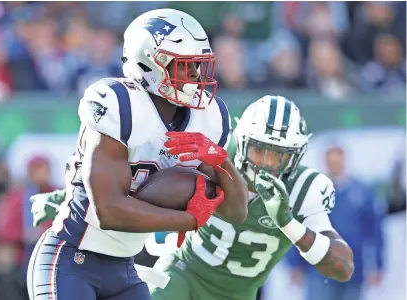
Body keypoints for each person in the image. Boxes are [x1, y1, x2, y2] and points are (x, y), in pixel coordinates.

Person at [31, 96, 354, 300]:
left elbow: (342, 267)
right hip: (183, 272)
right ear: (241, 142)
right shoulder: (217, 156)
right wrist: (67, 198)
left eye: (277, 157)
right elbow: (140, 179)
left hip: (239, 292)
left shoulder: (305, 187)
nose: (265, 164)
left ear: (295, 157)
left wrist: (288, 223)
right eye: (259, 151)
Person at [26, 8, 248, 300]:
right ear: (148, 64)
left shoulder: (210, 116)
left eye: (198, 64)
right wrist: (188, 220)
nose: (195, 75)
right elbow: (109, 211)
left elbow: (236, 212)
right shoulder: (118, 104)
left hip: (124, 271)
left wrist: (220, 161)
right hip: (71, 258)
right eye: (184, 65)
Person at [286, 144, 384, 300]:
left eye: (337, 161)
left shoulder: (361, 192)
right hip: (319, 269)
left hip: (352, 269)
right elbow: (297, 229)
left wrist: (378, 264)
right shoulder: (311, 193)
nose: (334, 165)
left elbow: (375, 231)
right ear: (325, 163)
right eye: (331, 162)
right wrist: (294, 265)